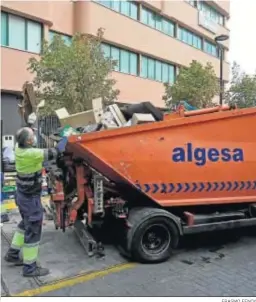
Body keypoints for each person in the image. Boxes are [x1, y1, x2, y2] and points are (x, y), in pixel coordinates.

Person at [4, 127, 58, 277]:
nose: (34, 137)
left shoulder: (18, 147)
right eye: (33, 136)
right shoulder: (31, 153)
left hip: (21, 195)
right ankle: (30, 268)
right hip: (30, 199)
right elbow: (54, 153)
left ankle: (13, 254)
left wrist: (31, 125)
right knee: (33, 230)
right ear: (28, 141)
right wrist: (67, 137)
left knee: (25, 224)